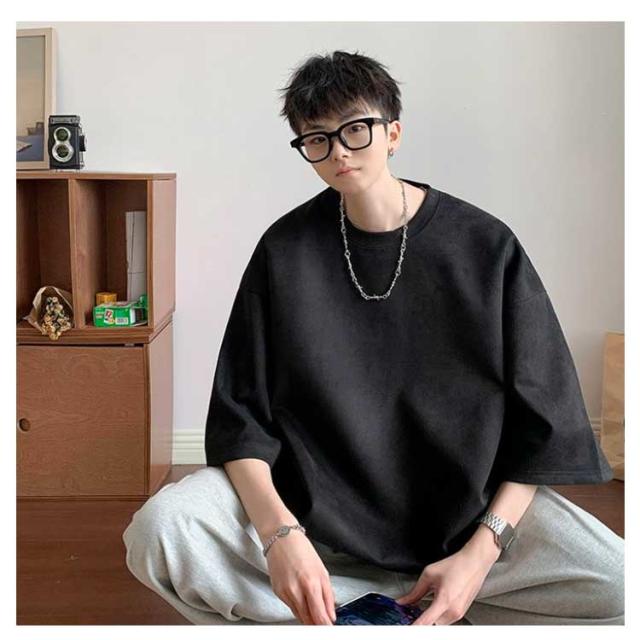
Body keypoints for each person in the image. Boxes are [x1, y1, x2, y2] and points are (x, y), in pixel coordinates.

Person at [122, 49, 624, 625]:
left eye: (355, 129)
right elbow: (241, 420)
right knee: (158, 532)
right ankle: (362, 604)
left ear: (393, 134)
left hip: (469, 521)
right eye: (317, 139)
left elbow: (544, 425)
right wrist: (281, 536)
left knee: (618, 582)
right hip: (315, 524)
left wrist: (479, 555)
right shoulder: (284, 252)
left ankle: (376, 607)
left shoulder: (486, 247)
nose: (339, 151)